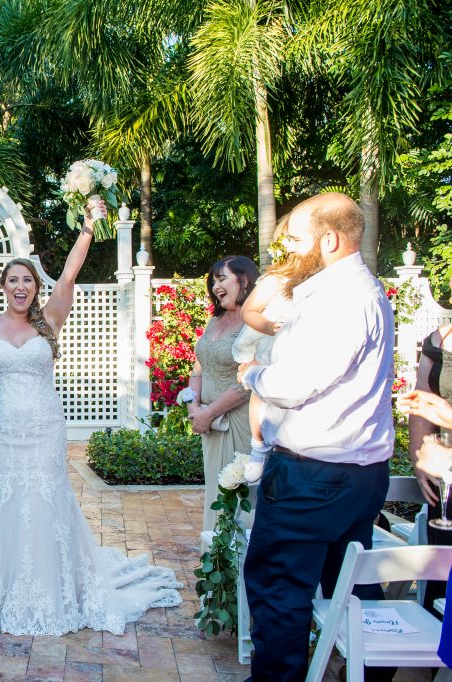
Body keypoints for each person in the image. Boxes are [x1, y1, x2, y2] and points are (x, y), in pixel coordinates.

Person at [0, 199, 182, 636]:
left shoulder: (49, 321)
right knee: (4, 499)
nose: (21, 286)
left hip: (44, 428)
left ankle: (55, 588)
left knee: (45, 498)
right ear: (3, 287)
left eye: (28, 281)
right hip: (1, 429)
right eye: (13, 280)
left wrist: (90, 225)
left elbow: (71, 273)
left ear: (37, 287)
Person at [238, 192, 395, 682]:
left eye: (297, 239)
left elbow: (294, 384)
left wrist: (254, 375)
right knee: (349, 586)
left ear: (329, 239)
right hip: (357, 474)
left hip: (314, 477)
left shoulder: (341, 301)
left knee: (279, 588)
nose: (288, 248)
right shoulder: (355, 292)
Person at [184, 255, 259, 531]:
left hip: (238, 422)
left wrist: (209, 413)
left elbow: (246, 382)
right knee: (215, 492)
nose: (216, 286)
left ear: (245, 280)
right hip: (209, 424)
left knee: (236, 494)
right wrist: (194, 408)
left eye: (222, 278)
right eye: (213, 281)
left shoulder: (255, 323)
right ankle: (215, 557)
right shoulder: (214, 321)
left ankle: (233, 565)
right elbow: (198, 367)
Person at [232, 217, 296, 483]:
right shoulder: (276, 280)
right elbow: (250, 310)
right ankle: (258, 447)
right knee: (260, 392)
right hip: (273, 341)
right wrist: (270, 327)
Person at [407, 316, 452, 611]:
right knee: (442, 564)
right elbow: (421, 398)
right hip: (442, 472)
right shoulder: (438, 339)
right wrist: (419, 457)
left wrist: (447, 417)